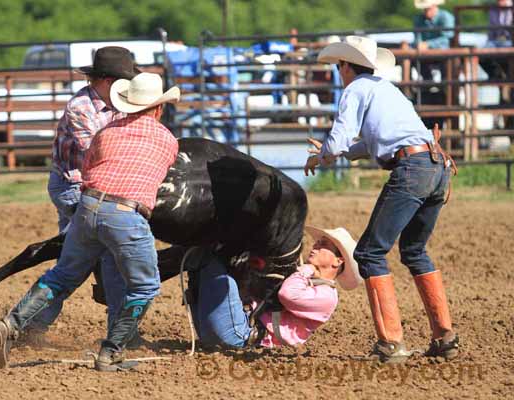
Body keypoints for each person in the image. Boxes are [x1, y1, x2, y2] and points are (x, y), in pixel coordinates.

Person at [0, 73, 180, 371]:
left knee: (62, 275)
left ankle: (10, 323)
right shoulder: (167, 140)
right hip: (126, 214)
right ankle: (111, 352)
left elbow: (88, 169)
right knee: (145, 286)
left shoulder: (107, 132)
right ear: (158, 109)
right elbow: (156, 177)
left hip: (88, 206)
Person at [304, 36, 458, 363]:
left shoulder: (355, 89)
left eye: (338, 67)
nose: (338, 72)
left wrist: (324, 155)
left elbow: (341, 139)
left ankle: (391, 343)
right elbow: (378, 141)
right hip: (435, 165)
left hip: (412, 169)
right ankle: (445, 336)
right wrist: (340, 151)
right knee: (414, 250)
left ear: (346, 66)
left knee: (369, 252)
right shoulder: (386, 89)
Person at [29, 47, 139, 337]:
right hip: (74, 187)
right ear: (106, 80)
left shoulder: (117, 102)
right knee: (109, 254)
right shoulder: (80, 108)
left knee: (72, 259)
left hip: (98, 188)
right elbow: (97, 153)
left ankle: (30, 323)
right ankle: (122, 331)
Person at [184, 227, 361, 349]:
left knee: (210, 257)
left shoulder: (327, 296)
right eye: (318, 242)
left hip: (241, 335)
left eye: (324, 245)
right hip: (229, 330)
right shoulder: (309, 282)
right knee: (205, 254)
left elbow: (287, 294)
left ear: (338, 261)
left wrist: (306, 268)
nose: (316, 245)